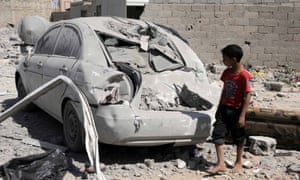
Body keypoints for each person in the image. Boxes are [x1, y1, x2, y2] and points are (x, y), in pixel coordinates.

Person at [208, 44, 251, 174]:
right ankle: (221, 163)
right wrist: (219, 106)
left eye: (225, 58)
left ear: (234, 59)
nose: (223, 61)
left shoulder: (244, 76)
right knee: (218, 134)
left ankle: (238, 162)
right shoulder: (226, 72)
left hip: (236, 111)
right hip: (224, 108)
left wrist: (242, 116)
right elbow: (225, 90)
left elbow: (247, 96)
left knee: (238, 137)